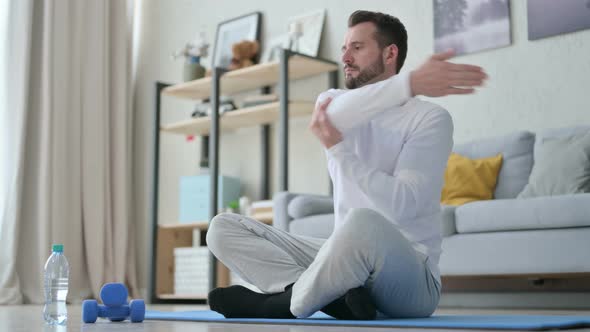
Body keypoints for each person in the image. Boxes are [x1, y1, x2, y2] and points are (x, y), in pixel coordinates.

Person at [206, 10, 487, 320]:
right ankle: (332, 299)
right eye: (344, 48)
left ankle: (280, 305)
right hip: (346, 258)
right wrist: (410, 82)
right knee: (223, 227)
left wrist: (340, 151)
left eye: (356, 47)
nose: (345, 57)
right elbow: (332, 118)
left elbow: (403, 205)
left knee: (362, 223)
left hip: (412, 279)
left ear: (389, 53)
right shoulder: (334, 100)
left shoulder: (430, 119)